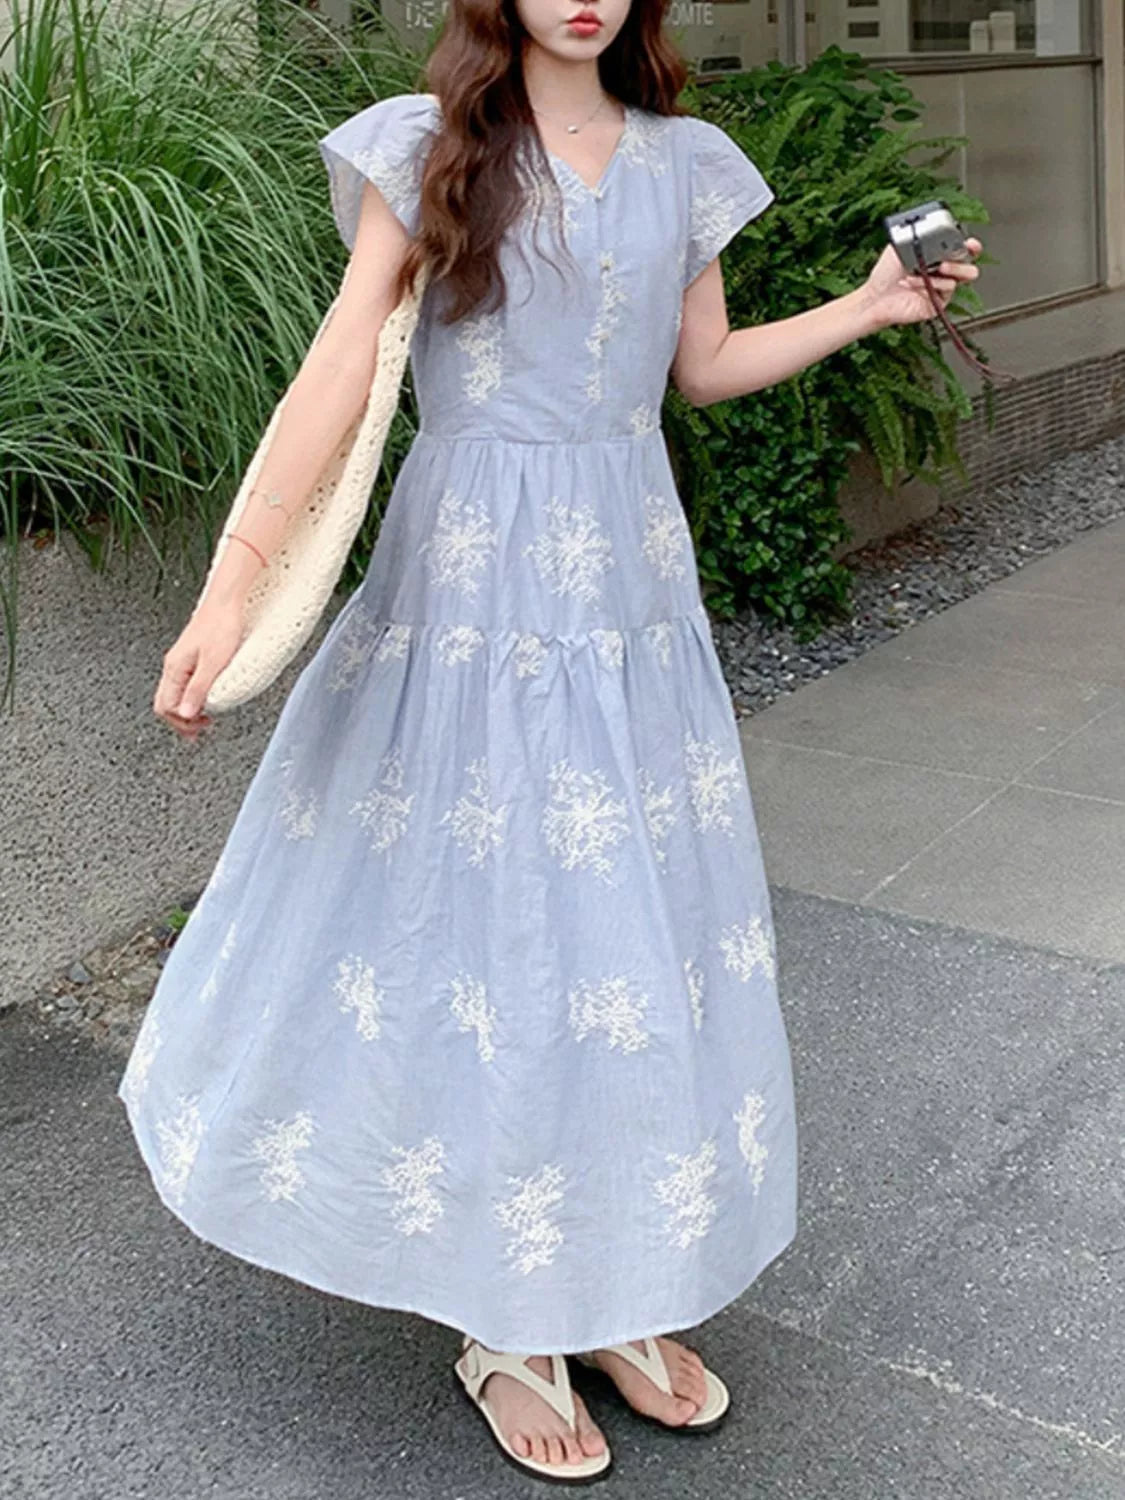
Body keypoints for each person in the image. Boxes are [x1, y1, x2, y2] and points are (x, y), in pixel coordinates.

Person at [120, 0, 982, 1484]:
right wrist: (231, 584)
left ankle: (614, 1281)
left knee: (626, 932)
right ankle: (506, 1317)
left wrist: (869, 307)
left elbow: (700, 367)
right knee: (492, 929)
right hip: (466, 583)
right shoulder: (427, 146)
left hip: (628, 586)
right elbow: (341, 365)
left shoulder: (684, 161)